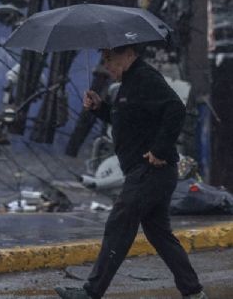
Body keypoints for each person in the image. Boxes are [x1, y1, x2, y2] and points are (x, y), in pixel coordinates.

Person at [55, 45, 206, 299]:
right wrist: (99, 108)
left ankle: (91, 293)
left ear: (128, 54)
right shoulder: (129, 83)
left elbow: (176, 110)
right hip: (148, 172)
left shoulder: (144, 78)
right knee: (159, 234)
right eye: (104, 59)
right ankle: (193, 292)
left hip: (150, 170)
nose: (107, 65)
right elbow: (129, 121)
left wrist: (159, 149)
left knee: (118, 225)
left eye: (110, 59)